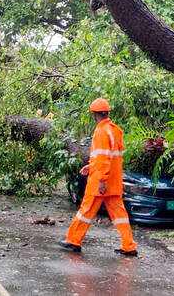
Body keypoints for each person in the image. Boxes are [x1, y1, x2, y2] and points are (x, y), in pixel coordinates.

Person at [59, 98, 138, 256]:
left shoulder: (101, 131)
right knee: (120, 215)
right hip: (113, 181)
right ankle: (129, 246)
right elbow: (110, 158)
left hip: (100, 182)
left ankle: (73, 240)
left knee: (85, 210)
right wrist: (91, 166)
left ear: (95, 114)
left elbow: (103, 158)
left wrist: (101, 180)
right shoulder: (115, 130)